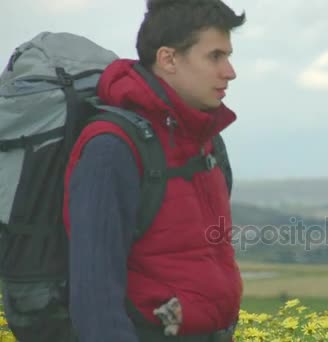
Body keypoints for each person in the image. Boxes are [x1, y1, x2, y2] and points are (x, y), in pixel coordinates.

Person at [63, 0, 246, 340]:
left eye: (228, 56)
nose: (229, 71)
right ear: (168, 59)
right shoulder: (112, 147)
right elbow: (94, 298)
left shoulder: (206, 142)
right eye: (215, 56)